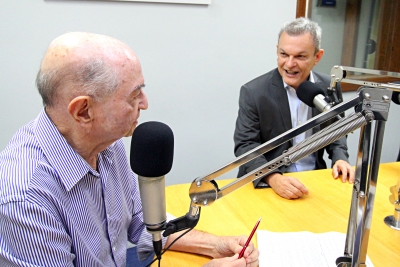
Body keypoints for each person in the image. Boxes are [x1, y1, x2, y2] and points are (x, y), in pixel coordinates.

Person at [0, 32, 259, 267]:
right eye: (134, 95)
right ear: (83, 111)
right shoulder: (25, 199)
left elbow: (140, 220)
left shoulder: (107, 144)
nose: (144, 104)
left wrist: (214, 245)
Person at [234, 17, 355, 200]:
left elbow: (336, 131)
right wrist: (273, 178)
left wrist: (340, 158)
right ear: (277, 51)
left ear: (317, 56)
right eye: (284, 54)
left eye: (300, 56)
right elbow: (245, 146)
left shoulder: (328, 87)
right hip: (267, 185)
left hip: (313, 182)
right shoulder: (253, 92)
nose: (289, 64)